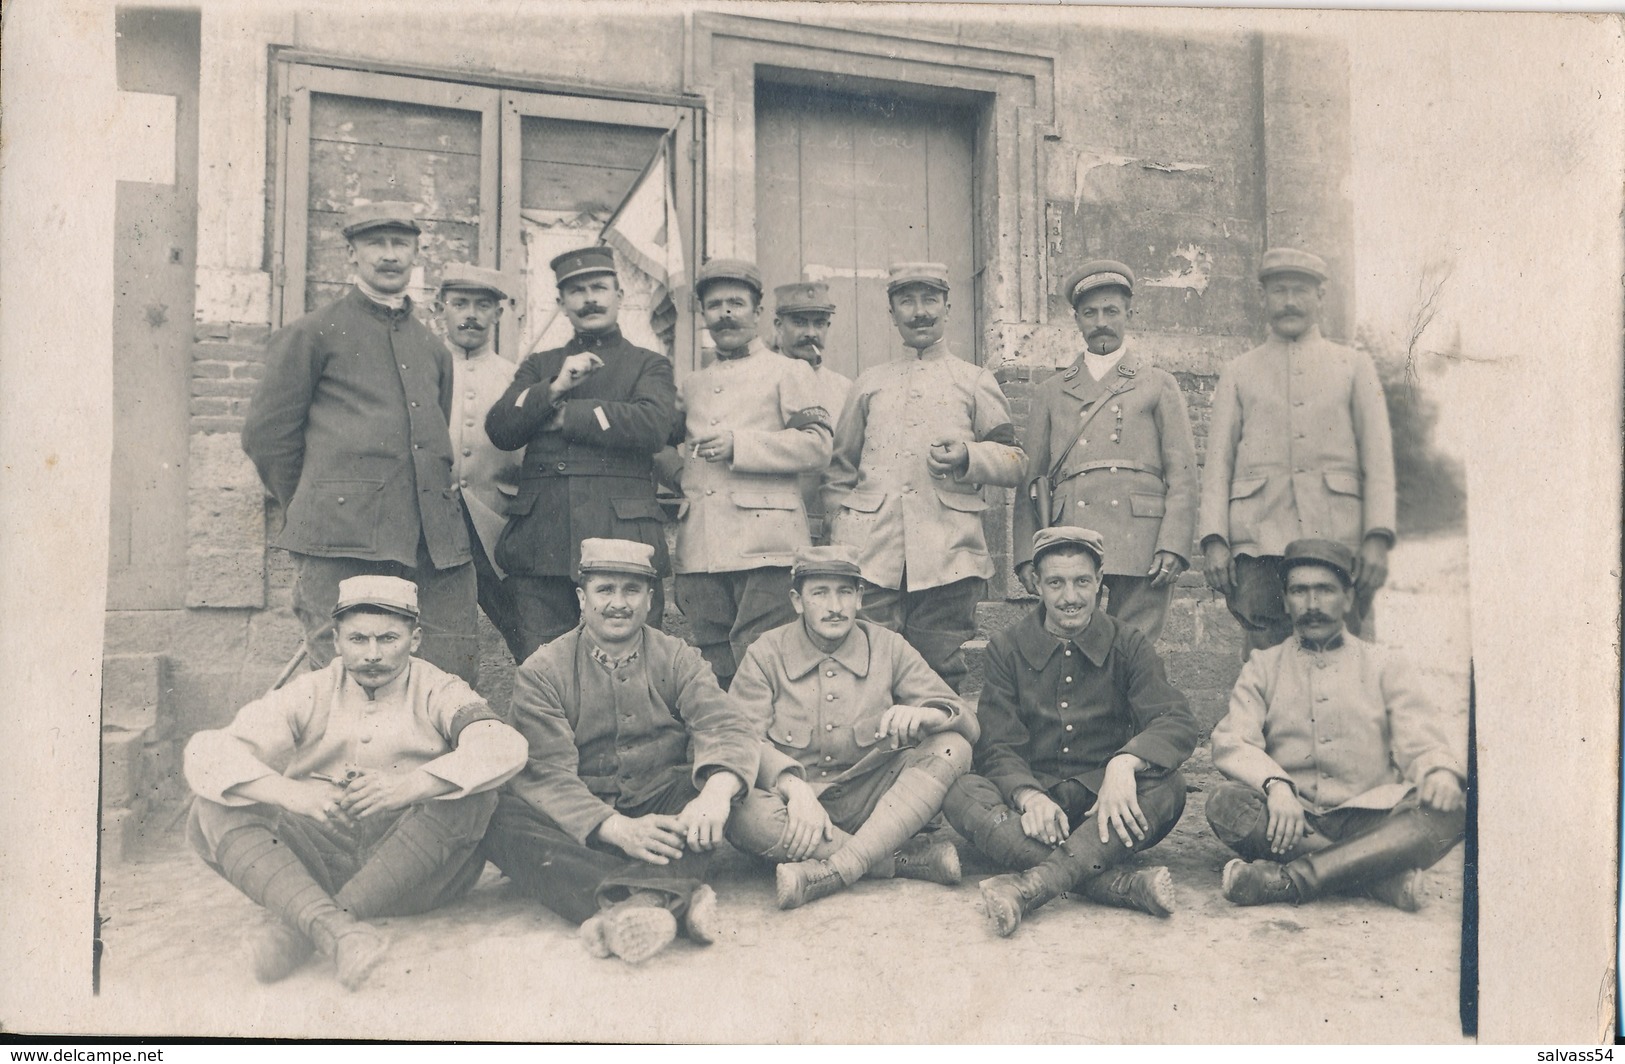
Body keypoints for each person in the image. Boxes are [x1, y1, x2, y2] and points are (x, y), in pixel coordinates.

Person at [182, 575, 527, 989]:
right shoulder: (310, 690)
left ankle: (307, 926)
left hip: (413, 870)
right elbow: (208, 752)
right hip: (320, 856)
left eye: (389, 638)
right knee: (212, 804)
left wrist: (409, 786)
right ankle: (340, 930)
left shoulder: (439, 687)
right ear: (336, 642)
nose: (373, 654)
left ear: (414, 639)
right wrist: (294, 795)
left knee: (479, 793)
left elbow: (504, 745)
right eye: (359, 640)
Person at [479, 538, 759, 964]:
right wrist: (614, 828)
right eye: (604, 590)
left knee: (706, 790)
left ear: (649, 599)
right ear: (581, 598)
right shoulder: (543, 670)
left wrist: (715, 796)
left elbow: (724, 725)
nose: (618, 603)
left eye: (631, 590)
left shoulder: (677, 658)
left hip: (659, 807)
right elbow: (546, 773)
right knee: (496, 814)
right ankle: (667, 899)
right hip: (579, 827)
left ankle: (617, 909)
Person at [242, 202, 478, 684]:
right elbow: (267, 437)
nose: (389, 255)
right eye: (375, 243)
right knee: (342, 684)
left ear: (416, 253)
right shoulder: (311, 334)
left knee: (444, 679)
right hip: (340, 538)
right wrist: (319, 500)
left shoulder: (433, 349)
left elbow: (432, 441)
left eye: (400, 244)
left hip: (432, 544)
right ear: (351, 253)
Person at [942, 527, 1197, 936]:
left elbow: (1175, 719)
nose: (1070, 597)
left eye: (1082, 581)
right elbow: (998, 744)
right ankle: (1115, 885)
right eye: (1056, 583)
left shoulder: (1128, 643)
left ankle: (1031, 887)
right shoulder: (1007, 647)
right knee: (958, 792)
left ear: (1099, 582)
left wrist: (1124, 765)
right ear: (1037, 586)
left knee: (1170, 787)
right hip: (1037, 809)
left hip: (1104, 806)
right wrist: (1029, 796)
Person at [1205, 539, 1467, 910]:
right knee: (1224, 803)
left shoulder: (1384, 665)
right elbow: (1233, 741)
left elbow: (1421, 740)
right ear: (1285, 600)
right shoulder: (1263, 666)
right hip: (1294, 818)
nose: (1312, 605)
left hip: (1373, 819)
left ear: (1347, 599)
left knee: (1452, 808)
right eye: (1299, 591)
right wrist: (1277, 786)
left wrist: (1438, 771)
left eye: (1325, 591)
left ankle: (1289, 880)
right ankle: (1379, 880)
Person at [724, 546, 973, 909]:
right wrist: (794, 788)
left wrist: (927, 714)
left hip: (876, 802)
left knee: (952, 745)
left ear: (860, 598)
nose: (834, 606)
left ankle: (835, 868)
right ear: (797, 600)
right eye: (820, 593)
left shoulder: (888, 646)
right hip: (796, 809)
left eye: (845, 592)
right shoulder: (765, 653)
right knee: (738, 807)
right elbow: (739, 740)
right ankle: (901, 861)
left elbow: (963, 717)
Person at [822, 262, 1027, 692]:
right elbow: (840, 469)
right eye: (907, 301)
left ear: (947, 307)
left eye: (930, 299)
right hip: (873, 554)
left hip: (947, 553)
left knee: (937, 669)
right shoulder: (869, 383)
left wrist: (969, 455)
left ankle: (936, 752)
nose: (920, 312)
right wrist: (842, 535)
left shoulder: (973, 380)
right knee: (868, 662)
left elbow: (1013, 460)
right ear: (891, 311)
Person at [485, 246, 680, 661]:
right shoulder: (541, 365)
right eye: (576, 291)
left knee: (630, 671)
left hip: (622, 539)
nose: (589, 298)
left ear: (620, 295)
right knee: (543, 672)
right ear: (561, 303)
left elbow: (653, 426)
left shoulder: (649, 365)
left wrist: (568, 415)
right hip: (543, 545)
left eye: (599, 287)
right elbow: (501, 428)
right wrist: (556, 386)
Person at [1198, 248, 1396, 656]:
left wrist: (1377, 536)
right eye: (1279, 291)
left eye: (1300, 291)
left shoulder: (1354, 367)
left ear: (1320, 298)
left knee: (1344, 653)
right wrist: (1214, 539)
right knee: (1265, 659)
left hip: (1338, 535)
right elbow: (1218, 463)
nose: (1289, 301)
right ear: (1263, 299)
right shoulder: (1240, 371)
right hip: (1258, 542)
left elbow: (1378, 459)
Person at [659, 259, 833, 690]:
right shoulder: (693, 384)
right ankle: (728, 750)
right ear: (704, 316)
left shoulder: (788, 371)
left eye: (736, 303)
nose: (726, 313)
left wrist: (742, 445)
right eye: (714, 305)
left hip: (767, 545)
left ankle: (770, 752)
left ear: (757, 313)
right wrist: (680, 473)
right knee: (715, 660)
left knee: (765, 659)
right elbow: (656, 443)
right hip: (701, 546)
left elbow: (817, 446)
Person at [1013, 260, 1198, 642]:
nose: (1101, 321)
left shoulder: (1158, 384)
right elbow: (1031, 481)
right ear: (1076, 319)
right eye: (1090, 313)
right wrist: (1026, 554)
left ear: (1129, 314)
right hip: (1071, 534)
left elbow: (1182, 476)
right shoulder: (1051, 391)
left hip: (1141, 536)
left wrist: (1174, 544)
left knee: (1136, 649)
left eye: (1111, 311)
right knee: (1071, 642)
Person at [435, 263, 525, 661]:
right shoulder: (423, 371)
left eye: (482, 305)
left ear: (498, 313)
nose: (471, 313)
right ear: (442, 308)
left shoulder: (516, 379)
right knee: (435, 636)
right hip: (433, 527)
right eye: (460, 303)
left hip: (497, 528)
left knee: (527, 635)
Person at [770, 281, 852, 541]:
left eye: (819, 323)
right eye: (800, 322)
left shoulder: (845, 388)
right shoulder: (761, 379)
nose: (810, 332)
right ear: (778, 326)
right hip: (768, 529)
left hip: (831, 531)